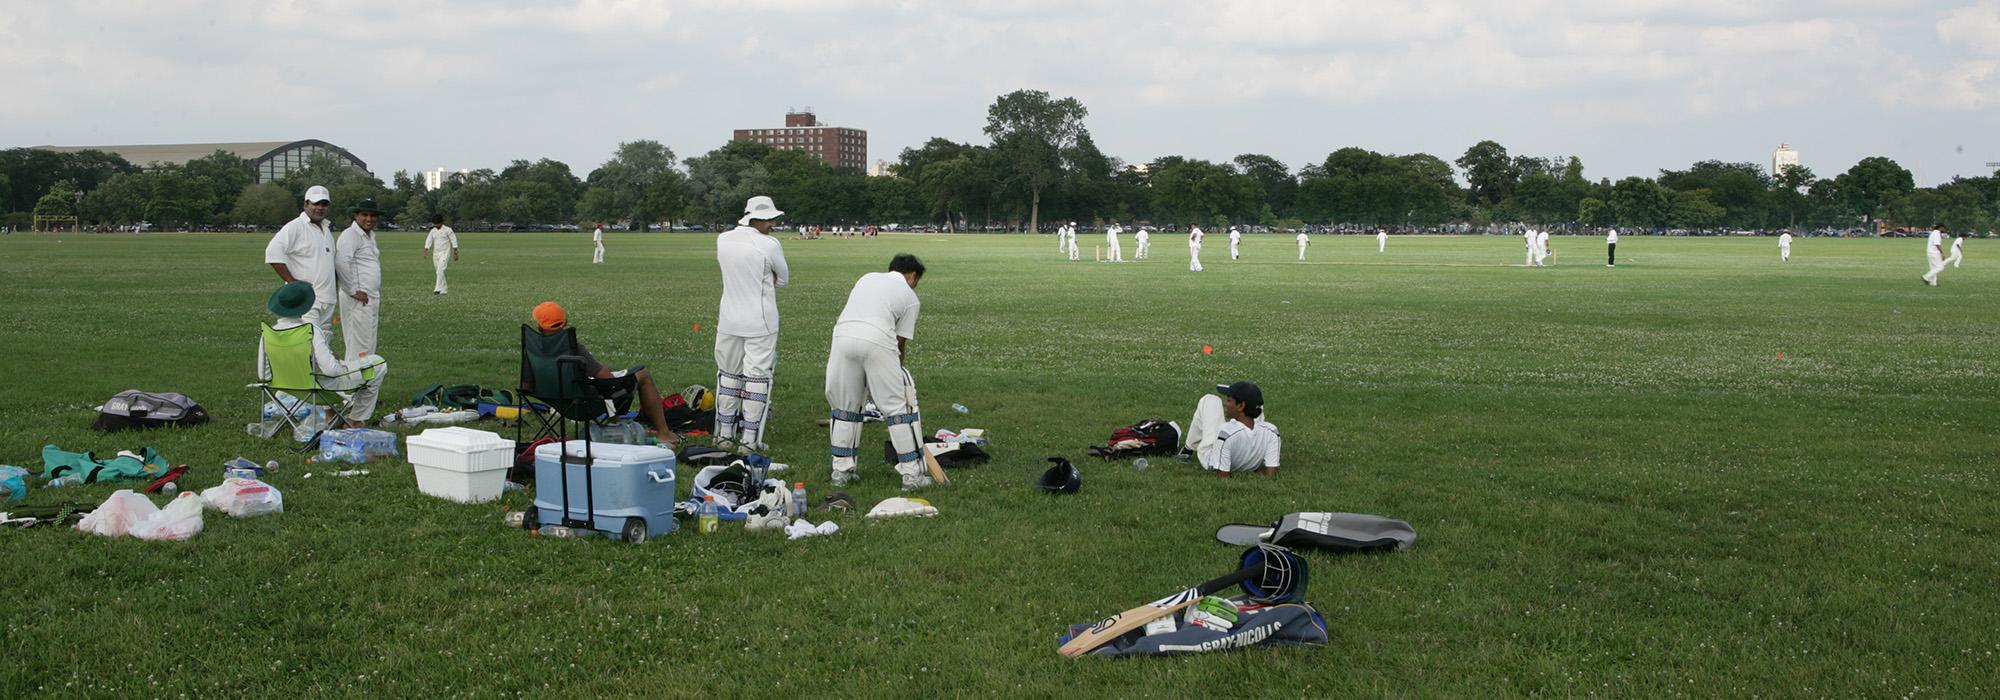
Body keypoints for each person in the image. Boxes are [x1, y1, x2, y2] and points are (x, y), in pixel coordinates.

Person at [825, 254, 929, 490]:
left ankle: (840, 472)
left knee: (844, 408)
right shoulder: (911, 298)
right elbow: (900, 341)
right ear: (912, 275)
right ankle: (912, 475)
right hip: (878, 340)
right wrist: (894, 370)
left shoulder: (867, 278)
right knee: (896, 409)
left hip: (842, 337)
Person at [525, 302, 680, 446]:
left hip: (559, 403)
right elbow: (606, 378)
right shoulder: (572, 349)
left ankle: (615, 422)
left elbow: (526, 386)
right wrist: (609, 374)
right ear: (564, 323)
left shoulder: (532, 351)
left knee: (602, 388)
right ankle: (663, 433)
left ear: (539, 327)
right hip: (586, 404)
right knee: (641, 375)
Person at [714, 195, 791, 451]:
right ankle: (749, 439)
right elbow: (783, 280)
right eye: (770, 219)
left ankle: (724, 435)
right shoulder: (769, 244)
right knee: (757, 378)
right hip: (760, 319)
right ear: (757, 218)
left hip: (728, 318)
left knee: (728, 375)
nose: (773, 224)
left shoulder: (723, 239)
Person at [259, 281, 388, 429]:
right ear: (305, 305)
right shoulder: (310, 330)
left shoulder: (268, 333)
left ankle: (332, 416)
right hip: (320, 387)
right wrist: (338, 363)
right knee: (378, 363)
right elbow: (331, 371)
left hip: (289, 387)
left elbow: (264, 375)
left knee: (328, 370)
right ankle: (355, 420)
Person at [264, 185, 339, 328]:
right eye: (316, 203)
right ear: (306, 204)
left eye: (324, 204)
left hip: (327, 299)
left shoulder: (326, 229)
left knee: (322, 343)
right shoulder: (295, 226)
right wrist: (292, 283)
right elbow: (273, 252)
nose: (320, 208)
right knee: (309, 341)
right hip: (306, 301)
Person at [1181, 381, 1280, 478]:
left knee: (1210, 400)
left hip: (1212, 458)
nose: (1224, 403)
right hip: (1247, 446)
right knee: (1253, 400)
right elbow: (1270, 473)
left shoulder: (1226, 433)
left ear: (1241, 406)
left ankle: (1187, 449)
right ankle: (1187, 449)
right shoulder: (1272, 431)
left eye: (1229, 400)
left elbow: (1223, 475)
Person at [333, 198, 384, 361]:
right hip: (358, 299)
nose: (369, 219)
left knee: (367, 345)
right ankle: (352, 383)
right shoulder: (350, 234)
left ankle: (362, 384)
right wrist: (353, 291)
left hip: (369, 297)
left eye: (372, 215)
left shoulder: (369, 236)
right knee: (359, 347)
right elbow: (341, 263)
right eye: (364, 215)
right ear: (356, 216)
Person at [423, 215, 459, 294]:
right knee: (439, 272)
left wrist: (455, 253)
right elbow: (429, 240)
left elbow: (454, 240)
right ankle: (444, 289)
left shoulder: (448, 230)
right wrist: (426, 249)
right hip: (436, 254)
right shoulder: (433, 231)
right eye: (434, 224)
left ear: (442, 222)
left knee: (440, 270)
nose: (436, 225)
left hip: (445, 253)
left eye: (437, 223)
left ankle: (437, 288)